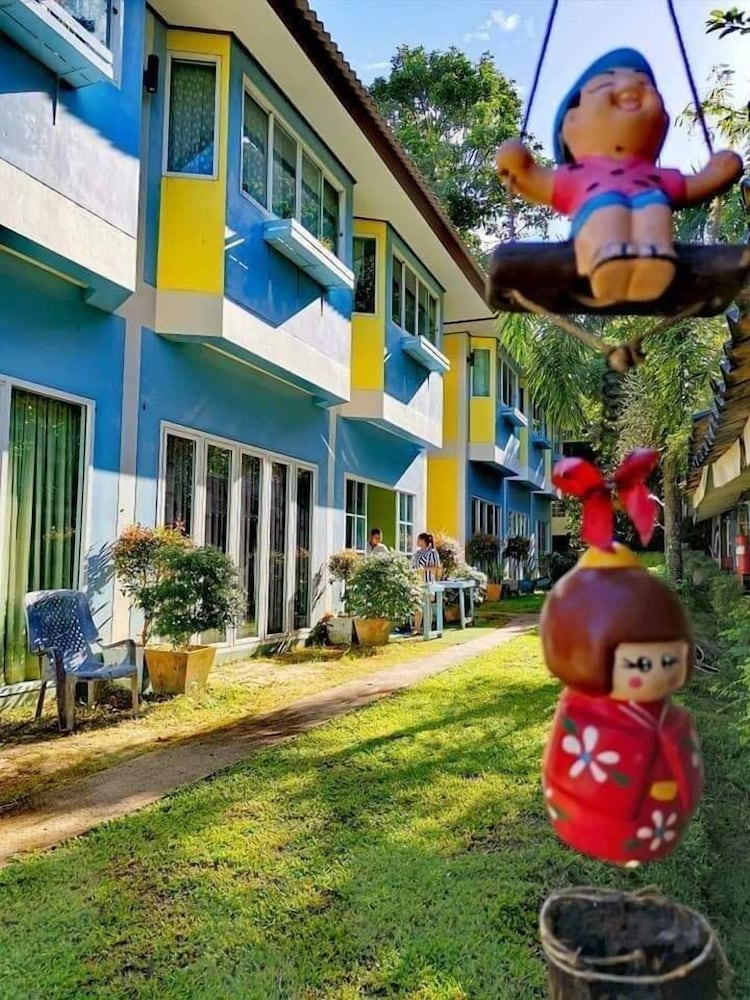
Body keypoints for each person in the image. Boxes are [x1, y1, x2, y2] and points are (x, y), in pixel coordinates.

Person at [495, 48, 742, 306]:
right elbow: (534, 180)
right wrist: (518, 165)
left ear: (663, 122)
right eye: (605, 85)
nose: (630, 88)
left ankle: (653, 259)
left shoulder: (656, 178)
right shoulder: (576, 176)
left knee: (654, 203)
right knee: (607, 204)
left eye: (644, 85)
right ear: (571, 122)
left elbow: (693, 186)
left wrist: (718, 173)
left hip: (653, 241)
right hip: (599, 225)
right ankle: (607, 256)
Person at [540, 543, 703, 867]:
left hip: (663, 823)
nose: (657, 673)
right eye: (641, 664)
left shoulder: (665, 715)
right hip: (601, 825)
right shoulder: (583, 717)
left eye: (669, 660)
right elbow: (575, 776)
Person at [411, 533, 442, 635]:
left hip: (428, 581)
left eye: (418, 539)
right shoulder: (417, 553)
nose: (417, 541)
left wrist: (424, 569)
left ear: (423, 541)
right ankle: (416, 628)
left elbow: (437, 567)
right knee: (417, 605)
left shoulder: (432, 553)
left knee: (427, 604)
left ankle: (427, 628)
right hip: (417, 582)